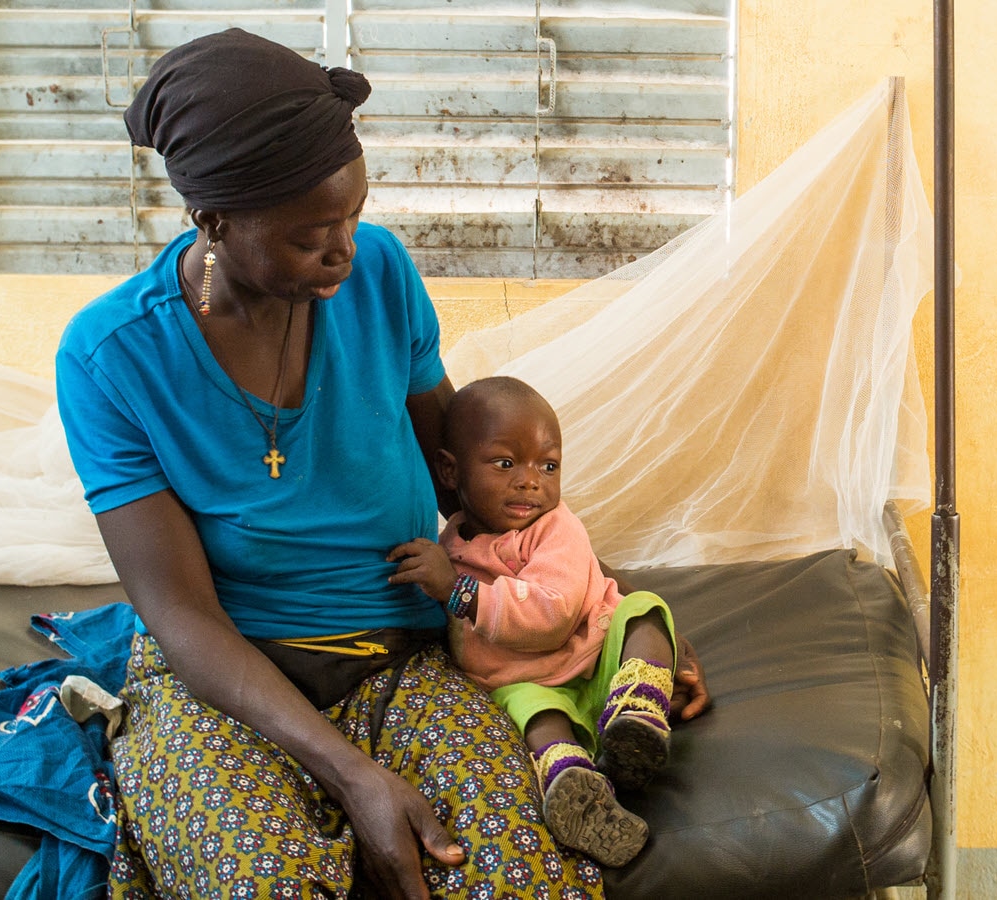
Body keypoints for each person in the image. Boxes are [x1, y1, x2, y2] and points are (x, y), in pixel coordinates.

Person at [54, 27, 707, 900]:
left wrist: (607, 607)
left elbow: (464, 482)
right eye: (312, 235)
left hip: (403, 659)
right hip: (230, 677)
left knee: (517, 879)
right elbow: (184, 620)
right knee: (264, 884)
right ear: (213, 220)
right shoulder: (111, 357)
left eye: (355, 217)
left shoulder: (381, 276)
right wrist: (351, 773)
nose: (346, 252)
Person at [386, 377, 680, 868]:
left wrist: (457, 592)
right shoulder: (449, 548)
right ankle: (578, 790)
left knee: (645, 609)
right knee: (528, 710)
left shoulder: (555, 527)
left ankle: (638, 712)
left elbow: (553, 616)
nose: (531, 481)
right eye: (506, 464)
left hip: (595, 651)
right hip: (528, 681)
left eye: (548, 465)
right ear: (449, 470)